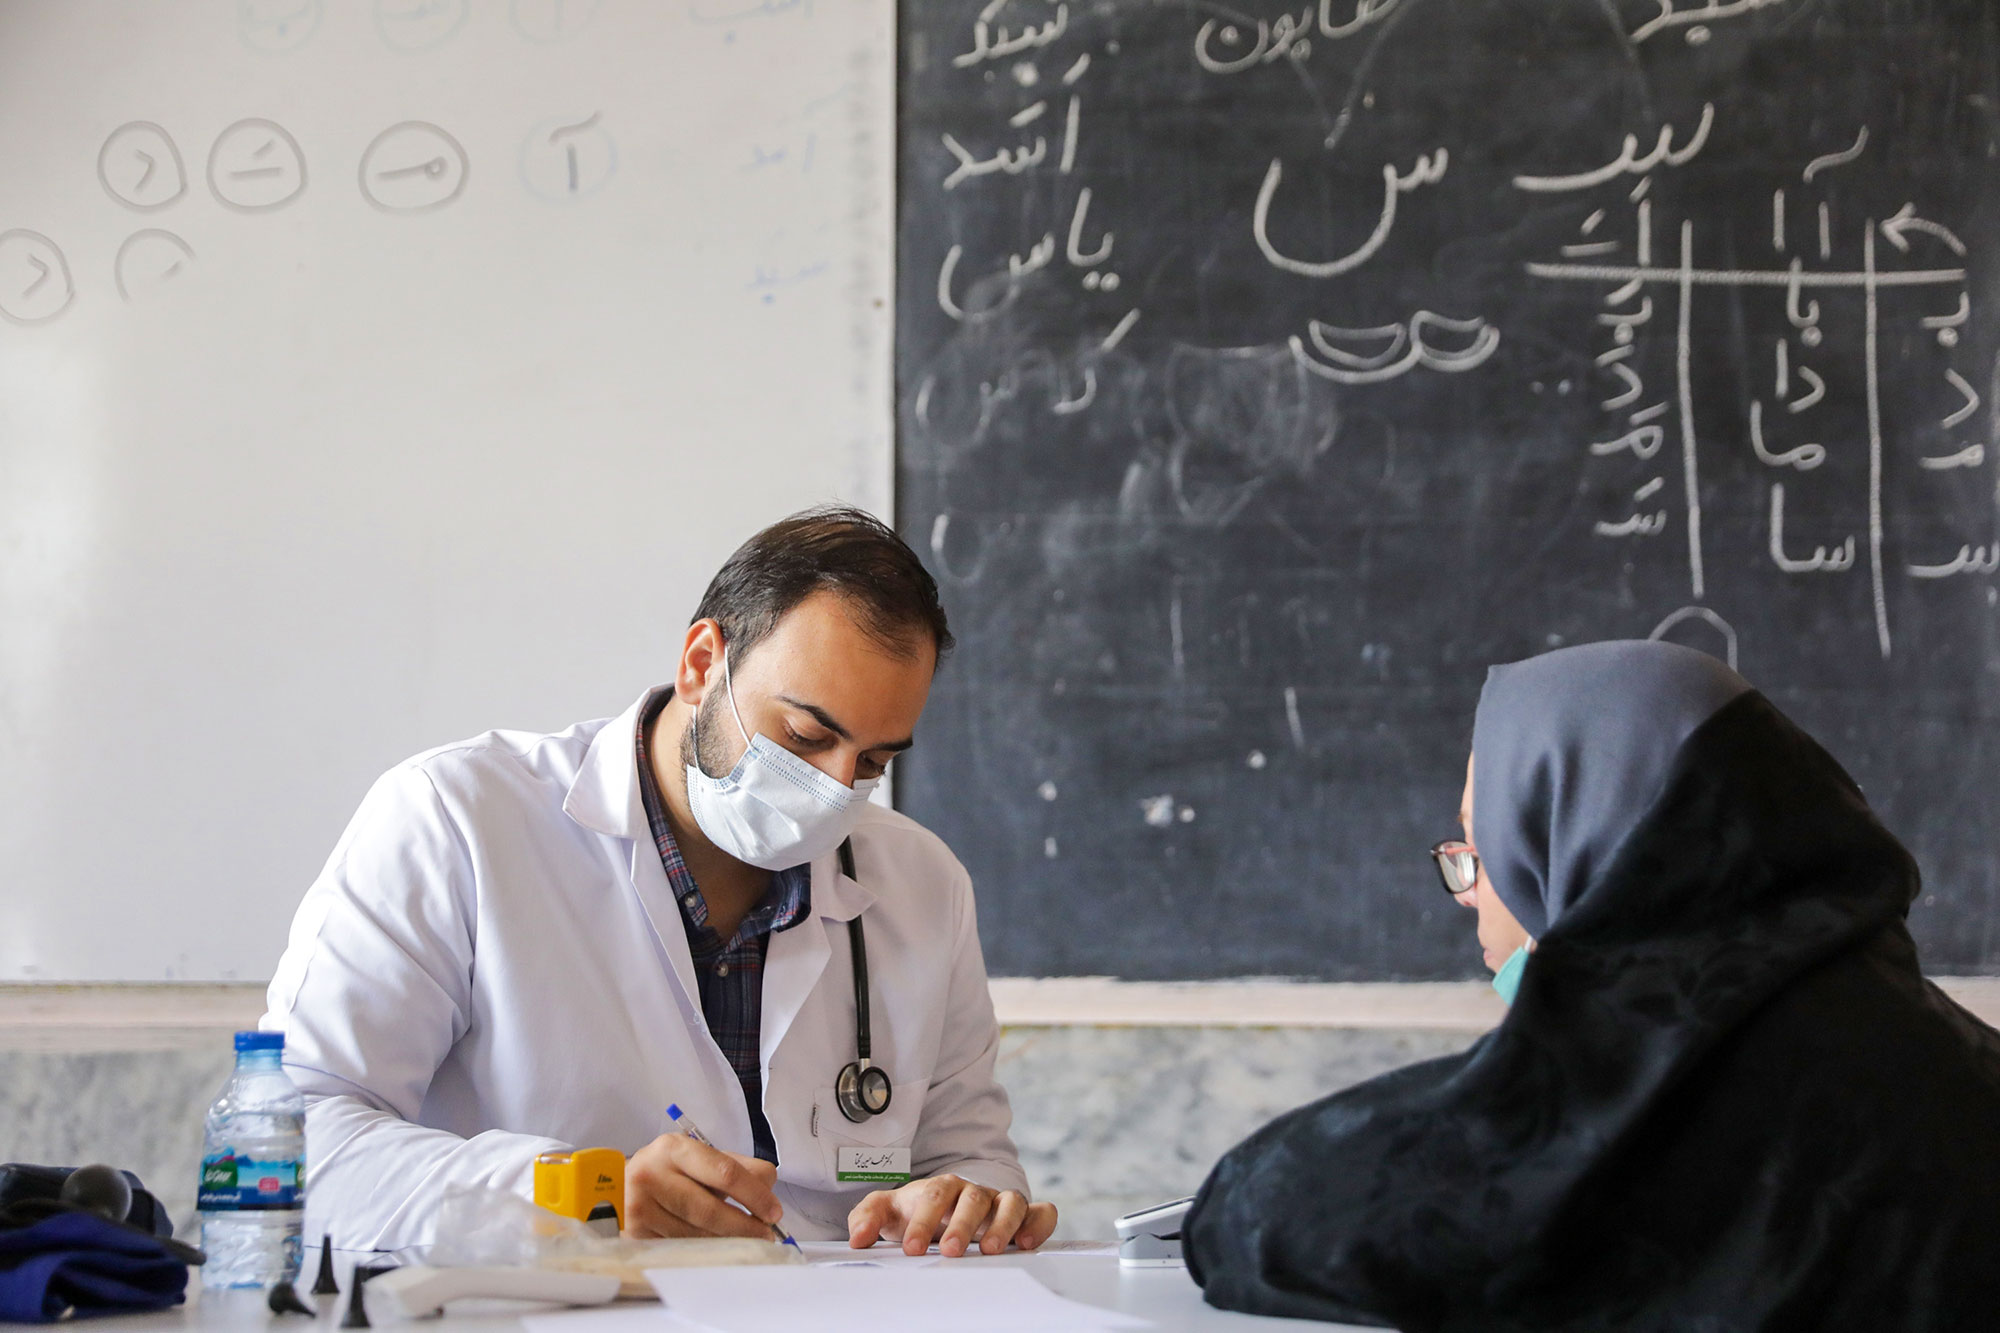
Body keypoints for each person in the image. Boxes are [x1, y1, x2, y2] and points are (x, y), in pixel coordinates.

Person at [262, 507, 1056, 1258]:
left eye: (874, 761)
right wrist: (578, 1196)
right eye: (806, 736)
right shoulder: (455, 820)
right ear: (702, 664)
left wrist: (966, 1202)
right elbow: (289, 1144)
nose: (835, 788)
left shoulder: (923, 883)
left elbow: (969, 1158)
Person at [1184, 640, 2000, 1331]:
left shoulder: (1600, 1106)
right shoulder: (1964, 1066)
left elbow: (1262, 1213)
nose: (1468, 891)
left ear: (1582, 842)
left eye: (1483, 844)